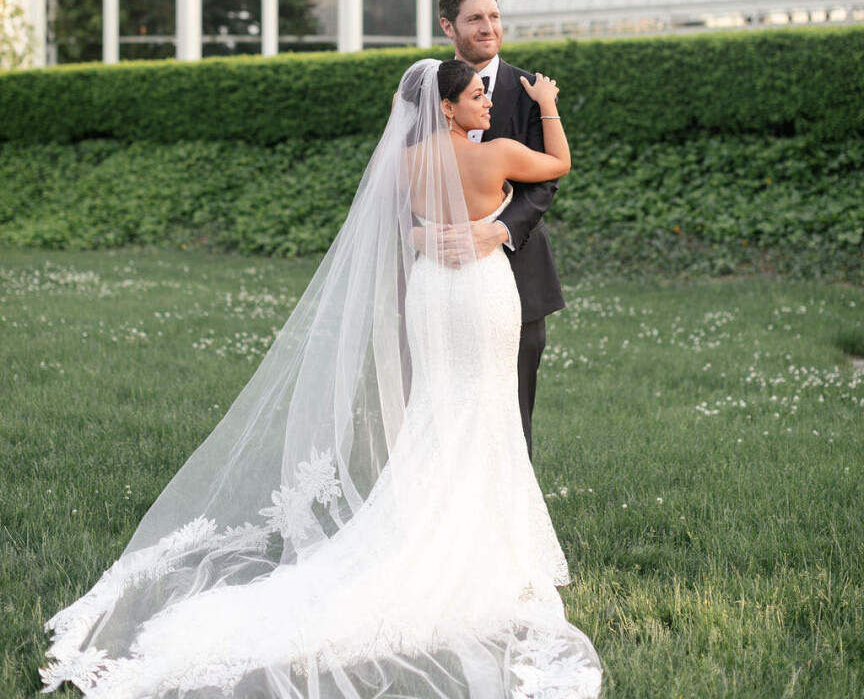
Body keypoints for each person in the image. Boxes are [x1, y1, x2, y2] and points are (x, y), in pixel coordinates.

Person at [40, 59, 602, 699]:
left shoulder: (404, 163)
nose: (485, 102)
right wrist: (549, 104)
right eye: (476, 95)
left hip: (429, 292)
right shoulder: (497, 151)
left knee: (437, 407)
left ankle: (427, 522)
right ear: (447, 106)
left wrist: (427, 234)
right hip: (478, 290)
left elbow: (396, 227)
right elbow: (558, 163)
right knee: (486, 405)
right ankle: (483, 543)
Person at [437, 0, 564, 458]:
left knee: (515, 398)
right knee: (441, 394)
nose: (488, 27)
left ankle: (514, 515)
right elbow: (405, 170)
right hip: (441, 268)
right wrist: (421, 233)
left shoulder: (531, 90)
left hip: (516, 268)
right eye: (475, 18)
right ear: (449, 26)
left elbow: (547, 180)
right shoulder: (422, 89)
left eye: (494, 16)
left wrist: (499, 230)